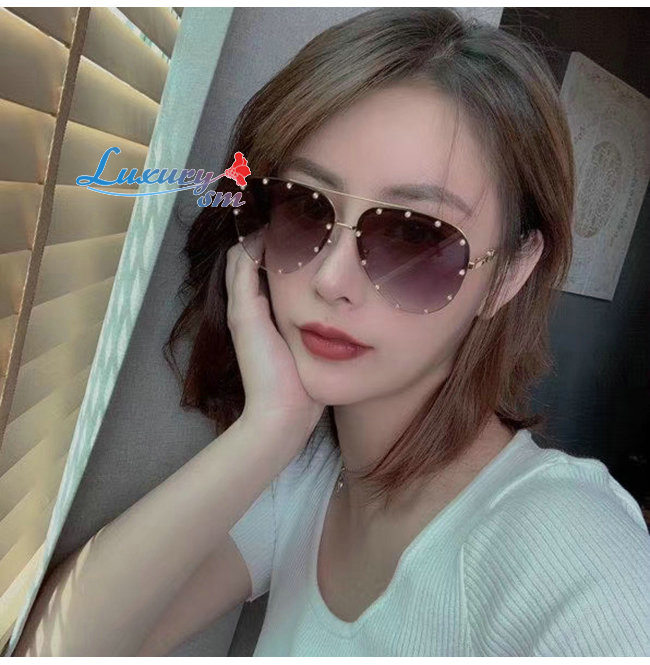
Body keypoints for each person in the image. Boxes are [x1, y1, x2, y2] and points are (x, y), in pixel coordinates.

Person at [14, 8, 650, 657]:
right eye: (302, 207)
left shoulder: (576, 556)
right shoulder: (310, 480)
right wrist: (270, 429)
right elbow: (58, 647)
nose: (331, 279)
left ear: (507, 274)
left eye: (414, 236)